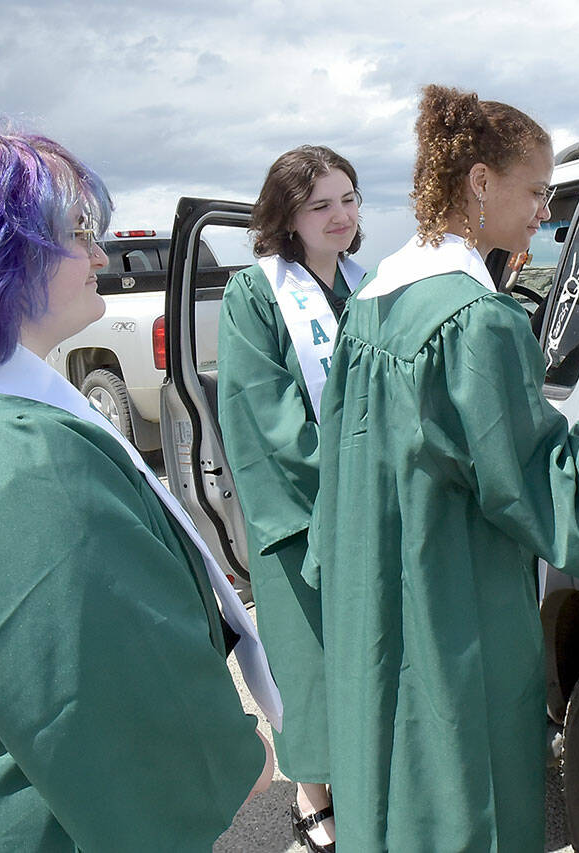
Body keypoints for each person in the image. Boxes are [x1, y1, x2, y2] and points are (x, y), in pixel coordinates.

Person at [0, 118, 280, 851]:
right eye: (78, 229)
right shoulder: (8, 457)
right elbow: (94, 695)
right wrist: (234, 754)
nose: (99, 253)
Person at [305, 85, 579, 851]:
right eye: (537, 191)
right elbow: (541, 488)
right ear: (480, 183)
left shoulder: (372, 302)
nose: (544, 214)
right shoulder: (479, 322)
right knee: (460, 791)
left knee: (393, 778)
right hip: (451, 608)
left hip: (375, 599)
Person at [216, 145, 365, 852]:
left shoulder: (365, 289)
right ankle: (312, 799)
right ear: (288, 216)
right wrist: (354, 478)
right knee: (306, 663)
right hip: (301, 513)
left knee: (361, 656)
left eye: (349, 198)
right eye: (320, 204)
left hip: (369, 509)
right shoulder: (257, 294)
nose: (340, 215)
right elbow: (263, 414)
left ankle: (364, 783)